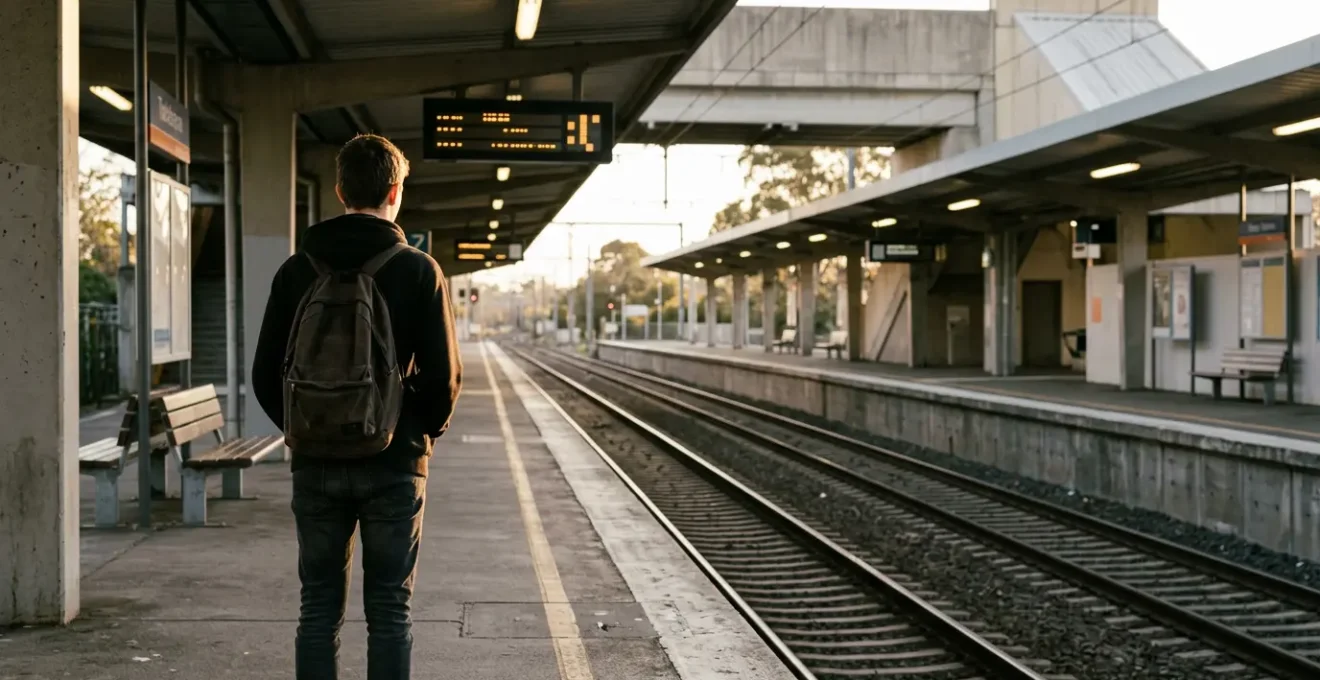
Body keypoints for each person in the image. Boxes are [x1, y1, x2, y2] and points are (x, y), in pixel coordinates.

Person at [252, 133, 462, 680]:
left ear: (340, 190)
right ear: (395, 191)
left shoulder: (296, 271)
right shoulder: (419, 270)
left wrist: (307, 429)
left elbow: (263, 374)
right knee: (390, 610)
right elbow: (443, 380)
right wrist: (413, 431)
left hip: (317, 465)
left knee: (318, 609)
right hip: (395, 465)